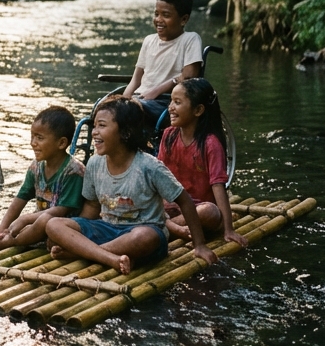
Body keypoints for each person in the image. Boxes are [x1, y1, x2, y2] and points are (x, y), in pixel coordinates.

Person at [46, 97, 217, 275]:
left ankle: (85, 253)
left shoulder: (149, 166)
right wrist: (75, 231)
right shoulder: (95, 163)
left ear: (125, 132)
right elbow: (92, 206)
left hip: (142, 232)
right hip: (107, 228)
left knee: (146, 237)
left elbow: (185, 201)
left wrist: (199, 245)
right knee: (54, 224)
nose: (94, 132)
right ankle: (105, 255)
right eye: (94, 126)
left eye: (102, 126)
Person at [0, 106, 84, 253]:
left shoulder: (73, 171)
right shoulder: (36, 167)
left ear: (61, 143)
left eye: (40, 138)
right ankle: (3, 240)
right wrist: (0, 231)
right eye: (32, 136)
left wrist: (25, 219)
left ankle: (8, 243)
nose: (33, 143)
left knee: (45, 220)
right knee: (28, 225)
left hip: (63, 229)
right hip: (39, 225)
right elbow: (20, 198)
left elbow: (61, 210)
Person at [159, 77, 247, 246]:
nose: (170, 107)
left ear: (198, 110)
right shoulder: (169, 135)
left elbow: (218, 186)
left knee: (209, 212)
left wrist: (228, 229)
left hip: (197, 210)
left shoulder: (210, 144)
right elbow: (158, 175)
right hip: (170, 208)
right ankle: (169, 227)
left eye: (177, 102)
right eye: (171, 101)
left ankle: (164, 229)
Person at [120, 0, 203, 125]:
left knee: (132, 110)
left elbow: (189, 76)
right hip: (140, 98)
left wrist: (155, 91)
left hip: (166, 101)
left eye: (166, 15)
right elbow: (136, 80)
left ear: (183, 19)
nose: (158, 19)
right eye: (156, 14)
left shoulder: (190, 39)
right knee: (105, 108)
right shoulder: (149, 41)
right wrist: (122, 101)